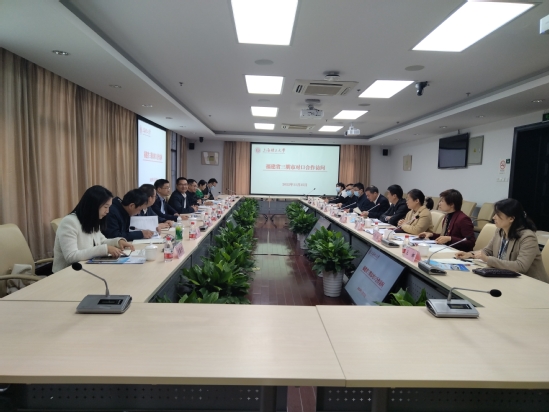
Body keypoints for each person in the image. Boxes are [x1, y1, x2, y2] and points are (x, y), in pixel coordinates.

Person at [456, 198, 548, 283]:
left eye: (497, 214)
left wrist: (488, 259)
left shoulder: (527, 237)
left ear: (511, 218)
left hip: (531, 283)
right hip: (506, 278)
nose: (493, 217)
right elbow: (488, 250)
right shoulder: (500, 231)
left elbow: (521, 266)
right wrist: (470, 255)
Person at [53, 186, 134, 272]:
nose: (107, 211)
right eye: (105, 207)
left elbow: (102, 241)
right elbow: (71, 256)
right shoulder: (69, 222)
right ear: (93, 205)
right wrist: (105, 249)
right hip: (68, 273)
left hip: (88, 269)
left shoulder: (91, 220)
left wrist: (118, 242)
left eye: (109, 207)